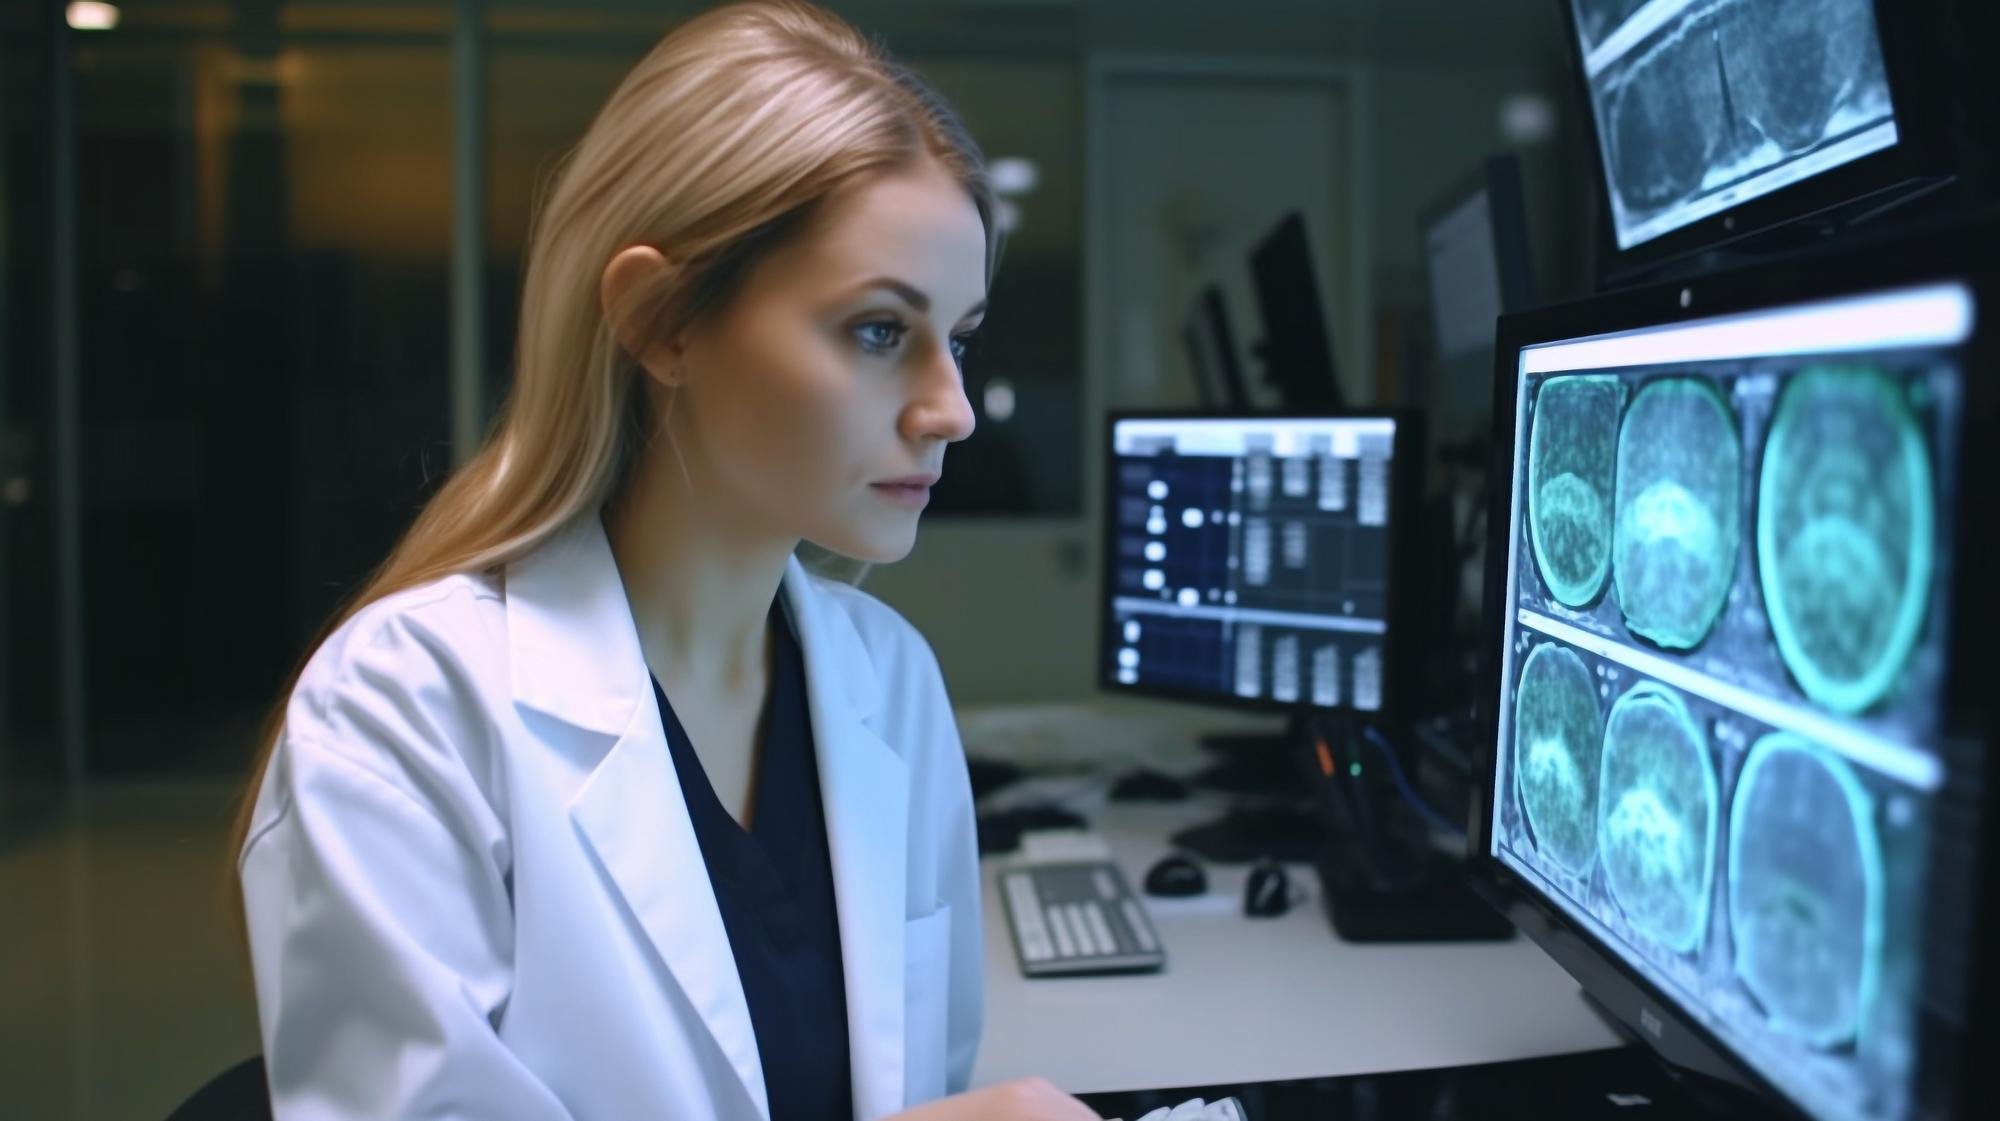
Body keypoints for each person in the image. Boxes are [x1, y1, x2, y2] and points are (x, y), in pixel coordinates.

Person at [226, 3, 1100, 1118]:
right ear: (658, 320)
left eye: (959, 339)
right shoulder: (403, 711)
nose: (953, 409)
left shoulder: (891, 683)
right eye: (880, 331)